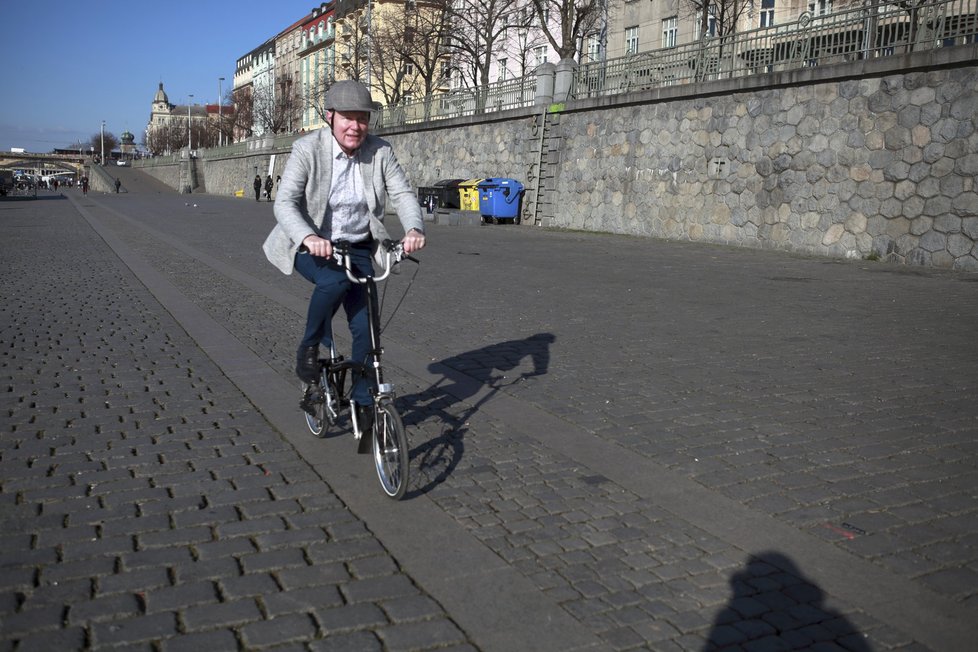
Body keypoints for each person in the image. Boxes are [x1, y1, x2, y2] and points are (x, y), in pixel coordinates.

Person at [262, 79, 426, 433]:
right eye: (347, 118)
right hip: (310, 244)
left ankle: (365, 403)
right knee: (334, 280)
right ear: (330, 116)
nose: (355, 126)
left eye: (363, 119)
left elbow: (403, 194)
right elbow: (285, 202)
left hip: (359, 247)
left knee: (367, 327)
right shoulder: (308, 149)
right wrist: (308, 236)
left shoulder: (380, 152)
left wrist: (414, 229)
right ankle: (307, 348)